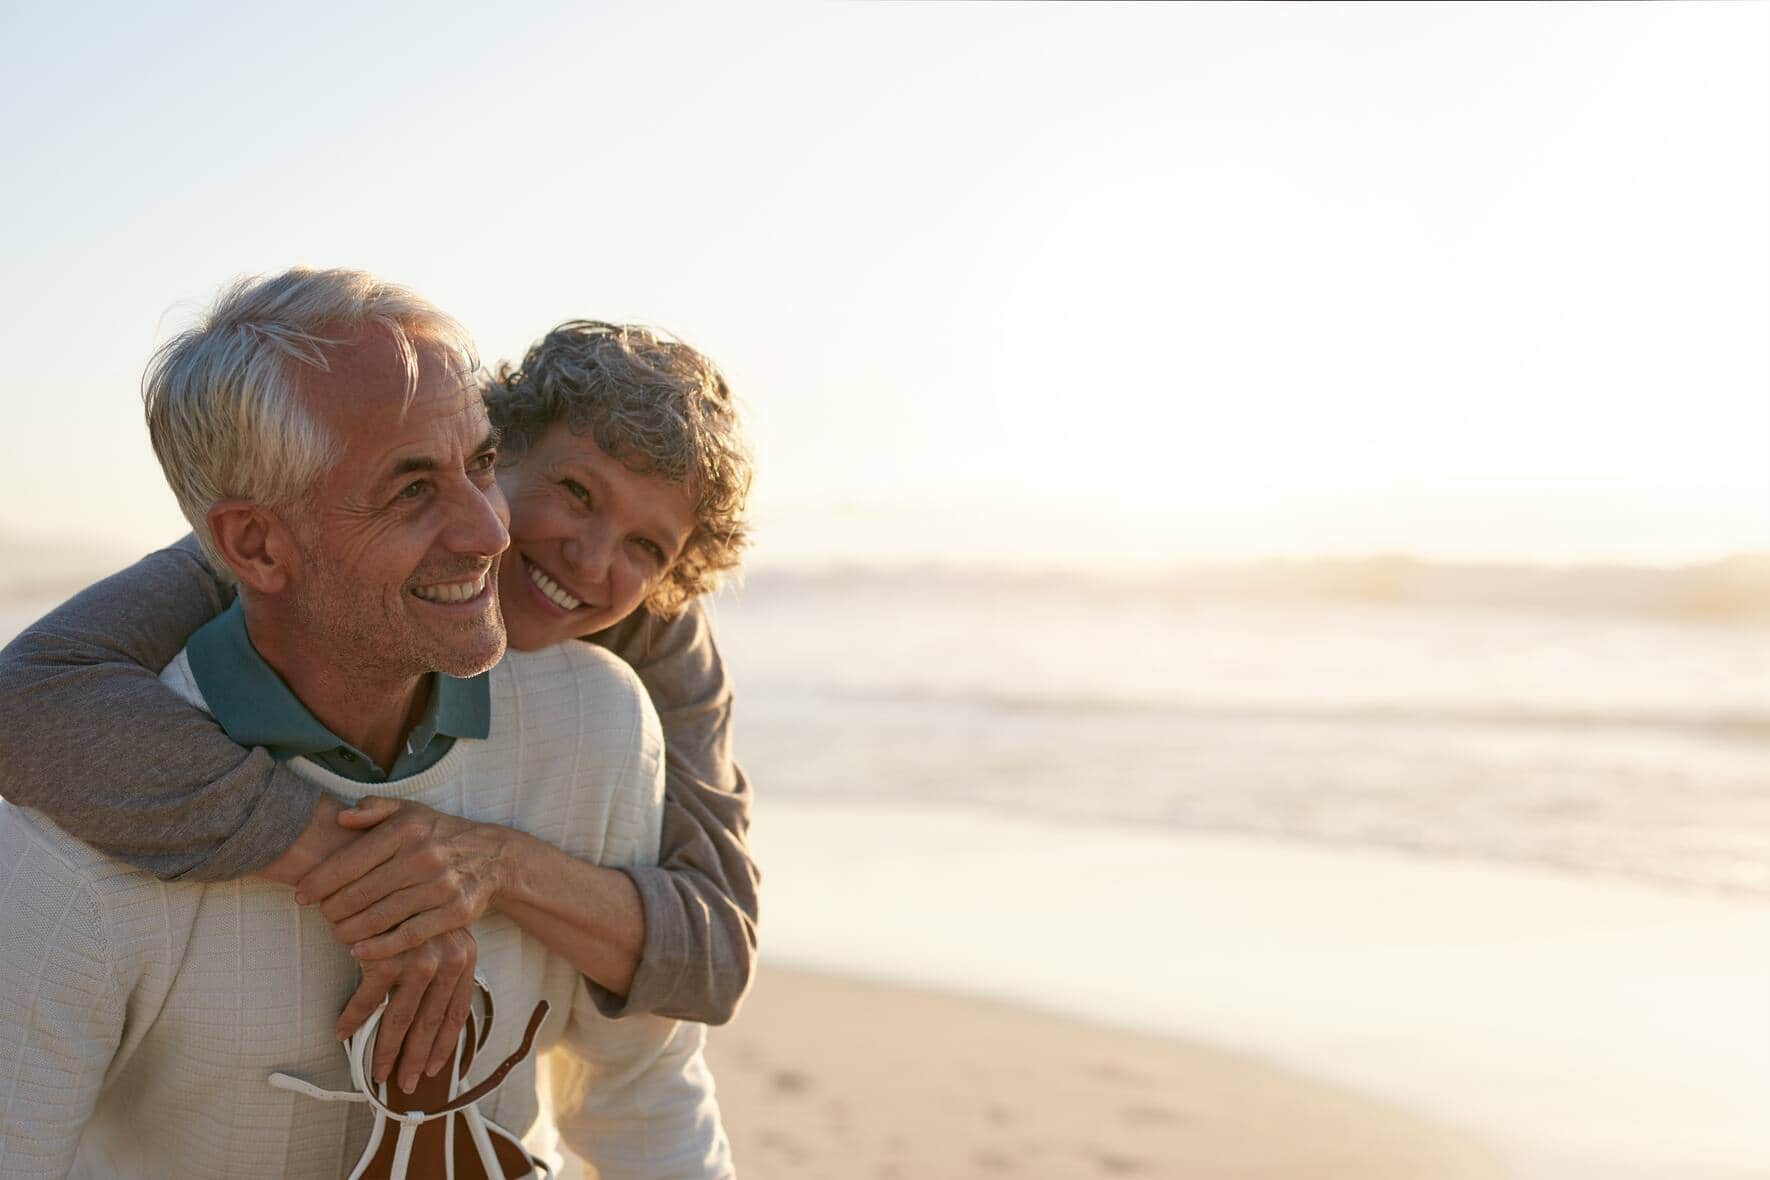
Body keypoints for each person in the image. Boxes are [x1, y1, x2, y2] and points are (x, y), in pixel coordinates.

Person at [0, 269, 734, 1177]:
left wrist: (493, 864)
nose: (491, 533)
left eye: (474, 468)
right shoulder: (76, 800)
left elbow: (680, 1024)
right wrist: (364, 870)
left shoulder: (611, 711)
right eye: (413, 488)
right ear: (255, 547)